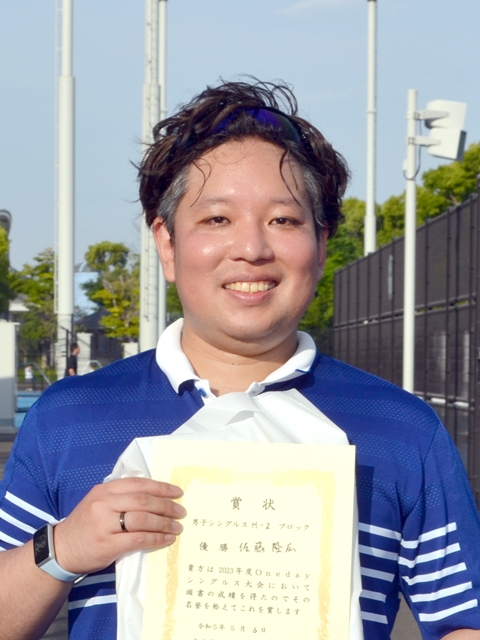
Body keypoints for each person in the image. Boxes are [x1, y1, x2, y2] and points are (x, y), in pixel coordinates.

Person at [0, 80, 479, 640]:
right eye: (217, 220)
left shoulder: (404, 429)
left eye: (284, 220)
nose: (252, 248)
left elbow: (463, 622)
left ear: (321, 245)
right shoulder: (67, 417)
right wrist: (64, 547)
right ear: (167, 245)